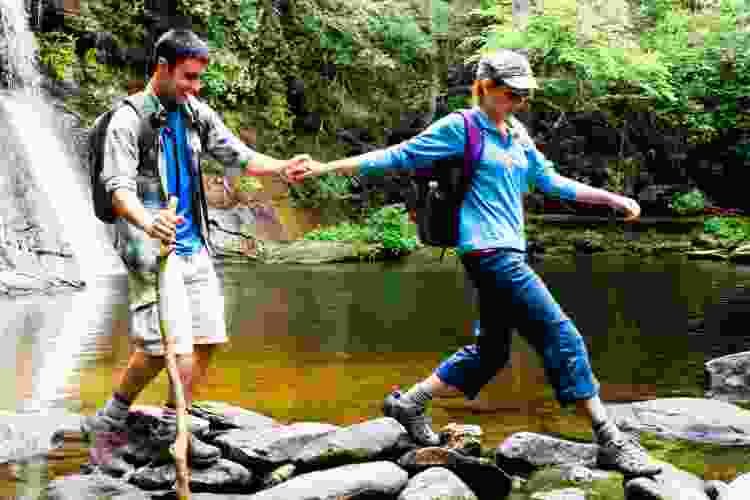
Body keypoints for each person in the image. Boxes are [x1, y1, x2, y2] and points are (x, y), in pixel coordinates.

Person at [290, 49, 661, 477]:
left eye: (525, 95)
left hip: (510, 251)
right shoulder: (460, 127)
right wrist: (324, 168)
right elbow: (397, 155)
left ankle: (409, 405)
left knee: (491, 352)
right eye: (512, 94)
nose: (520, 102)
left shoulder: (517, 134)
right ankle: (609, 439)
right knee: (561, 333)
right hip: (488, 253)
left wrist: (610, 199)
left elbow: (549, 181)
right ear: (485, 87)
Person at [82, 29, 309, 469]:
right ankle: (132, 424)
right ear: (162, 68)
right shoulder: (128, 121)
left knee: (206, 339)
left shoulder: (194, 112)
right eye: (188, 77)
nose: (195, 86)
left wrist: (283, 167)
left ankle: (159, 425)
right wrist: (150, 221)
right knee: (166, 348)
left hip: (194, 244)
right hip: (150, 249)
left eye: (199, 78)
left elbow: (239, 156)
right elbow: (117, 189)